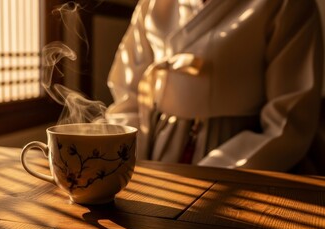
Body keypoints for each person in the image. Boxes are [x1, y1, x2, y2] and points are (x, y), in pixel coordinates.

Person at [105, 0, 323, 171]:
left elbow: (287, 120)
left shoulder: (287, 4)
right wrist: (127, 156)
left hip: (241, 158)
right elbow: (128, 95)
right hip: (159, 148)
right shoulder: (151, 4)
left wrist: (215, 172)